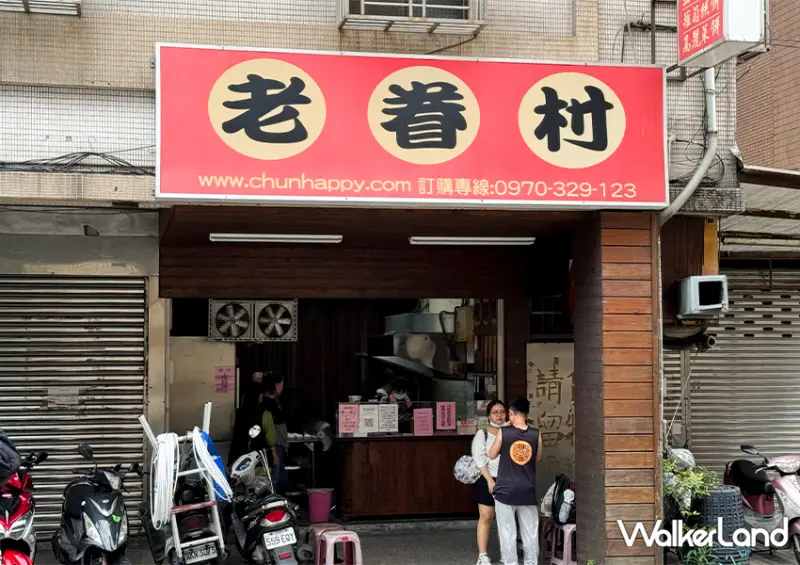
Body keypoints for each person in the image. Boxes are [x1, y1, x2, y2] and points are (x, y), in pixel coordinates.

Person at [488, 398, 543, 565]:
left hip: (505, 491)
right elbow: (537, 459)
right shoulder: (536, 434)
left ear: (511, 413)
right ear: (527, 413)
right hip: (527, 490)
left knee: (507, 532)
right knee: (530, 532)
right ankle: (531, 563)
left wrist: (503, 430)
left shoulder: (504, 432)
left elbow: (491, 454)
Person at [471, 400, 508, 565]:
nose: (499, 415)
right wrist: (489, 480)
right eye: (495, 412)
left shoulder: (511, 432)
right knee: (486, 517)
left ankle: (507, 552)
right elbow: (479, 460)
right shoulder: (482, 434)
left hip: (507, 480)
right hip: (487, 479)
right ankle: (482, 555)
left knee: (505, 518)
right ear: (489, 416)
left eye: (502, 412)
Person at [228, 372, 266, 465]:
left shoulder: (241, 412)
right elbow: (255, 437)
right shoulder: (257, 414)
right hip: (250, 455)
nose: (262, 396)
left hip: (238, 454)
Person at [261, 372, 290, 494]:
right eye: (281, 385)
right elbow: (273, 426)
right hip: (274, 445)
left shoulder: (266, 402)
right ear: (277, 386)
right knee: (275, 478)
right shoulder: (270, 404)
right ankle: (273, 499)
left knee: (279, 477)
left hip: (274, 445)